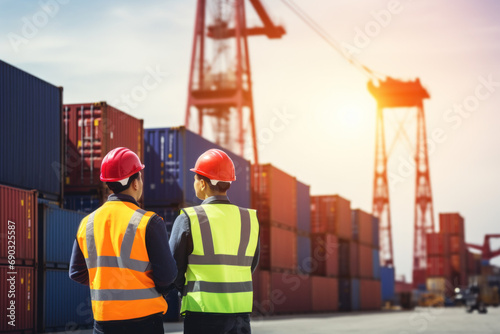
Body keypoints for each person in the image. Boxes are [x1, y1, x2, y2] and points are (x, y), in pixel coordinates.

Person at [69, 147, 177, 334]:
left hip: (104, 324)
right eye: (140, 177)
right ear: (135, 183)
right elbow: (167, 275)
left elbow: (76, 272)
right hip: (145, 323)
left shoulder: (87, 223)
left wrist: (107, 282)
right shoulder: (148, 222)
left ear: (108, 184)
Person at [169, 148, 260, 334]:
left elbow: (173, 269)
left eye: (195, 178)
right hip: (240, 314)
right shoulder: (249, 219)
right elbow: (251, 265)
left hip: (202, 313)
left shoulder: (189, 218)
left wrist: (186, 289)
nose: (194, 183)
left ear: (202, 183)